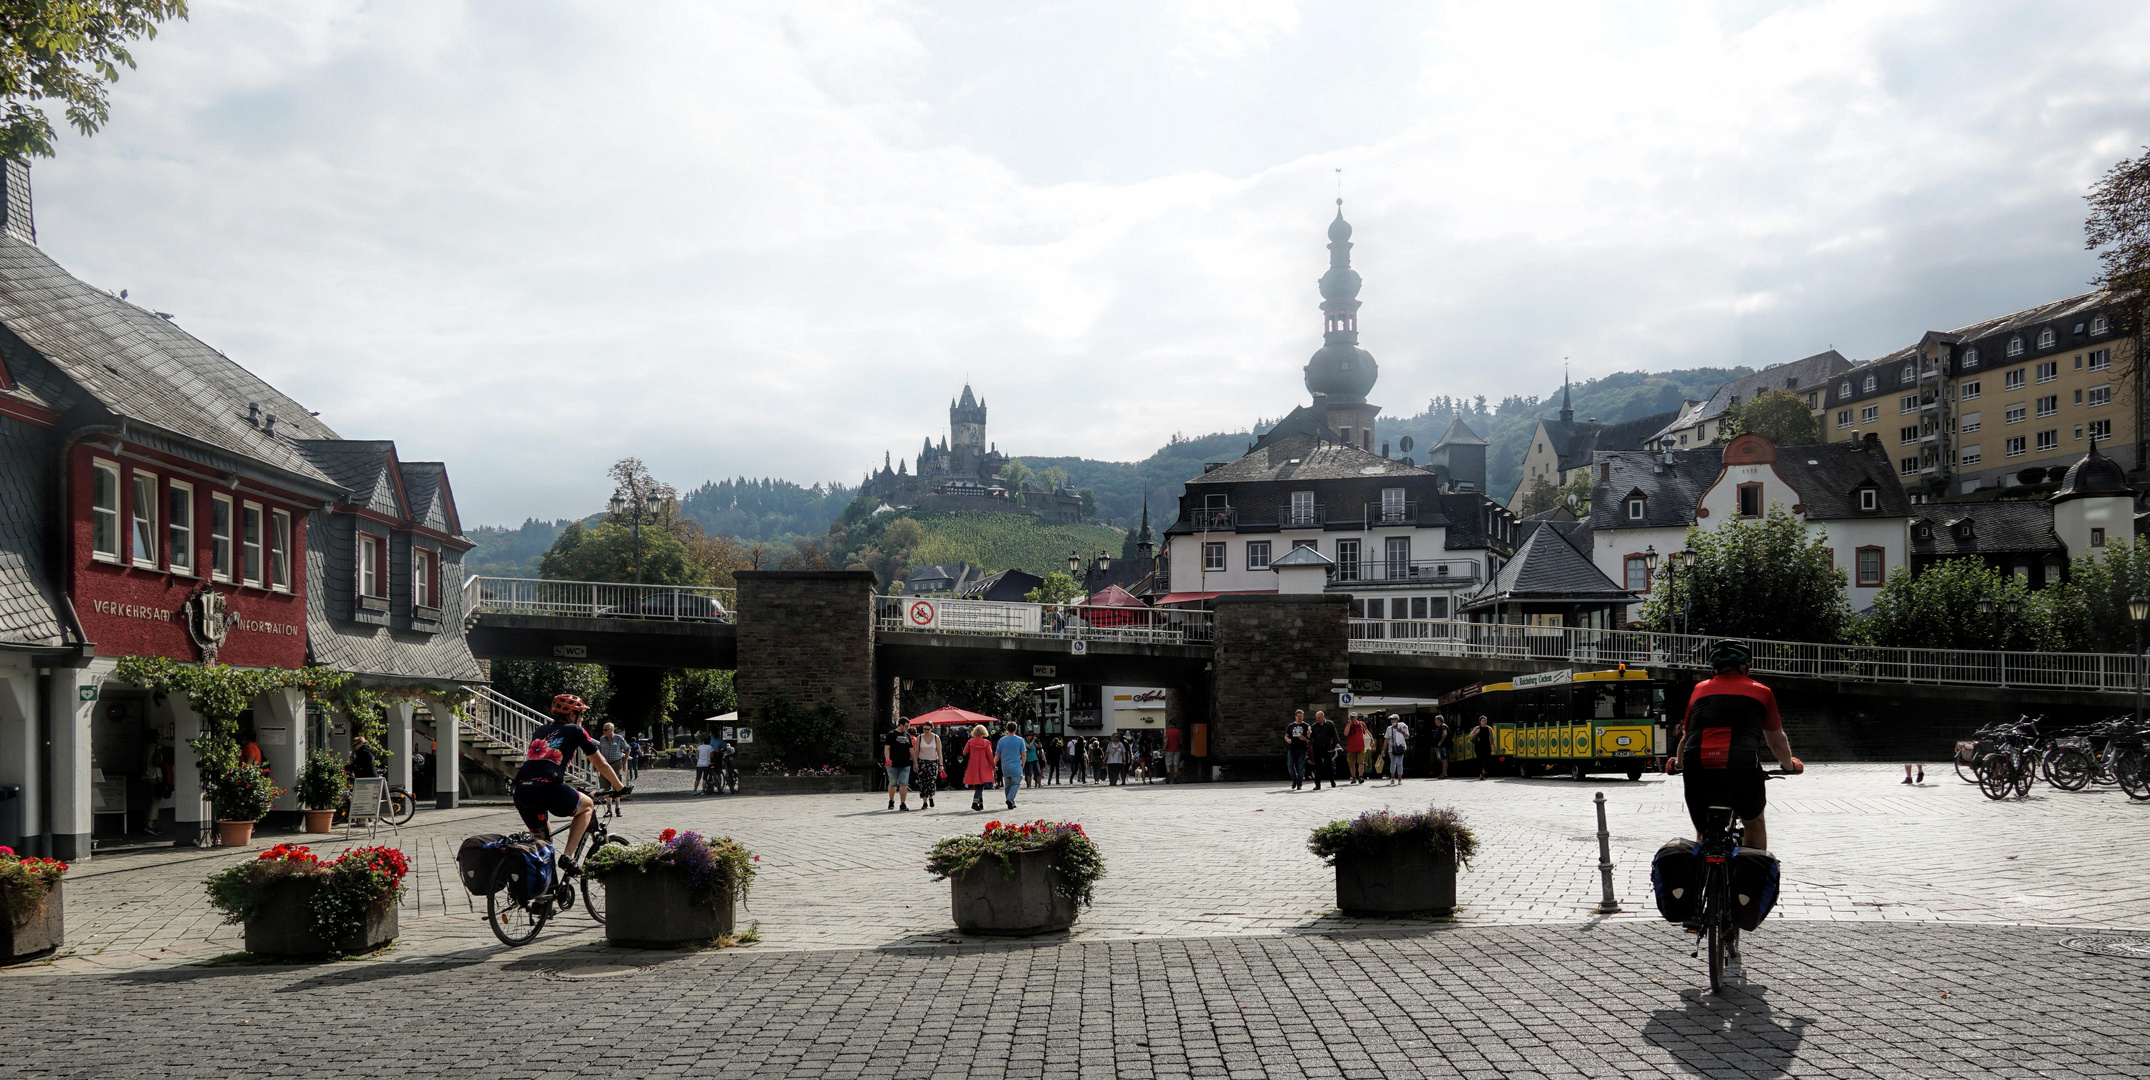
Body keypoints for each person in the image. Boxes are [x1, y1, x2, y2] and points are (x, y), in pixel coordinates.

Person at [1673, 639, 1803, 851]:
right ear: (1747, 667)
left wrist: (1677, 764)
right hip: (1741, 767)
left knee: (1703, 831)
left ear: (1713, 669)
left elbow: (1687, 738)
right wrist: (1789, 765)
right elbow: (1776, 739)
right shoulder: (1762, 691)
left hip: (1697, 767)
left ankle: (1702, 875)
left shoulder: (1699, 689)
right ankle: (1753, 880)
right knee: (1754, 822)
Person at [511, 693, 628, 874]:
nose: (581, 719)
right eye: (581, 714)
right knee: (587, 806)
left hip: (522, 790)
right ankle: (569, 856)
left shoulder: (540, 730)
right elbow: (600, 763)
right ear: (572, 715)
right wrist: (620, 788)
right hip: (548, 788)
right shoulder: (575, 729)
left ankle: (544, 893)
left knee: (543, 846)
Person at [881, 717, 917, 811]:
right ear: (900, 725)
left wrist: (915, 762)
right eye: (906, 726)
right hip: (893, 764)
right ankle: (891, 800)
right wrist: (887, 759)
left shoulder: (908, 736)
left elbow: (911, 749)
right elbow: (887, 748)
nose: (907, 728)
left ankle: (902, 803)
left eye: (908, 726)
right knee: (892, 783)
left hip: (905, 763)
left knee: (904, 783)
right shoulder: (891, 734)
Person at [963, 724, 997, 811]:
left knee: (978, 782)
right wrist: (993, 765)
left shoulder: (970, 741)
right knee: (981, 784)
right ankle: (975, 801)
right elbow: (989, 755)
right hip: (984, 765)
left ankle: (980, 803)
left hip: (973, 764)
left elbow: (964, 752)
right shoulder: (986, 743)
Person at [996, 722, 1027, 810]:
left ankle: (1011, 802)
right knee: (1016, 783)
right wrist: (1023, 764)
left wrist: (993, 765)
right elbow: (1023, 754)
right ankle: (1010, 799)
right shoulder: (1020, 740)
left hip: (1005, 766)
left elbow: (997, 754)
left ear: (1007, 729)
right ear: (1016, 729)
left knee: (1008, 785)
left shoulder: (1001, 740)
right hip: (1016, 765)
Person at [1308, 711, 1341, 789]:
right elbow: (1311, 737)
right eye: (1316, 718)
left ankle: (1332, 781)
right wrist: (1308, 735)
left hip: (1327, 747)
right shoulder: (1314, 726)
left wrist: (1336, 743)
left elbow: (1334, 735)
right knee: (1318, 766)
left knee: (1329, 765)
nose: (1317, 719)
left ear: (1323, 717)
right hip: (1317, 747)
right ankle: (1317, 785)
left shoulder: (1330, 724)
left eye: (1319, 718)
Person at [915, 722, 944, 809]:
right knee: (922, 782)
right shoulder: (919, 738)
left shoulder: (936, 738)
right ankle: (924, 801)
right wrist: (915, 763)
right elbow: (916, 752)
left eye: (928, 729)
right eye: (924, 729)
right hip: (922, 762)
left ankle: (931, 796)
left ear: (931, 729)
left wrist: (941, 764)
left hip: (933, 762)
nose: (926, 731)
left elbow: (939, 752)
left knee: (931, 781)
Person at [1284, 710, 1311, 790]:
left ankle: (1299, 784)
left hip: (1302, 749)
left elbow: (1309, 739)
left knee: (1300, 766)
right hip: (1292, 748)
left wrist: (1305, 738)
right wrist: (1287, 740)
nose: (1300, 717)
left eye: (1301, 716)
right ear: (1295, 716)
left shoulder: (1306, 725)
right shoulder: (1291, 725)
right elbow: (1286, 735)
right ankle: (1294, 780)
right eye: (1298, 716)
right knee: (1290, 765)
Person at [1384, 713, 1411, 786]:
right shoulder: (1389, 728)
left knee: (1399, 763)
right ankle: (1392, 778)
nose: (1392, 721)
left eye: (1393, 719)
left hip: (1400, 747)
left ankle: (1399, 779)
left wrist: (1401, 732)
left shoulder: (1403, 726)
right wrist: (1383, 749)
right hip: (1392, 748)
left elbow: (1407, 737)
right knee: (1393, 763)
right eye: (1391, 719)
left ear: (1397, 720)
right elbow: (1386, 739)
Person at [1343, 713, 1369, 784]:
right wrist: (1349, 724)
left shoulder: (1361, 724)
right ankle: (1354, 777)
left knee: (1361, 762)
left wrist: (1371, 739)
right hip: (1351, 748)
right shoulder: (1348, 725)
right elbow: (1345, 733)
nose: (1352, 718)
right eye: (1351, 717)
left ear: (1356, 717)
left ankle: (1360, 777)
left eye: (1353, 717)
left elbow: (1366, 732)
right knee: (1351, 763)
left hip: (1360, 747)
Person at [1429, 714, 1452, 780]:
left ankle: (1444, 773)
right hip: (1440, 746)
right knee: (1442, 759)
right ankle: (1443, 773)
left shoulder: (1442, 726)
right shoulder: (1440, 727)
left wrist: (1441, 741)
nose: (1435, 721)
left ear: (1439, 720)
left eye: (1436, 720)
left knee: (1443, 759)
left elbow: (1444, 733)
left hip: (1442, 745)